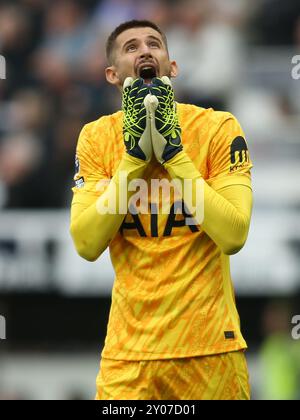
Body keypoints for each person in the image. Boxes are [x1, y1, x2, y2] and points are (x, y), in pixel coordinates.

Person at [70, 20, 253, 400]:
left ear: (172, 66)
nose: (145, 51)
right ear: (112, 74)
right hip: (128, 356)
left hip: (209, 350)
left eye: (154, 44)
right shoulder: (96, 138)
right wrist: (134, 159)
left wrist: (174, 156)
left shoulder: (218, 128)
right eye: (131, 47)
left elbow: (233, 235)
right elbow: (86, 244)